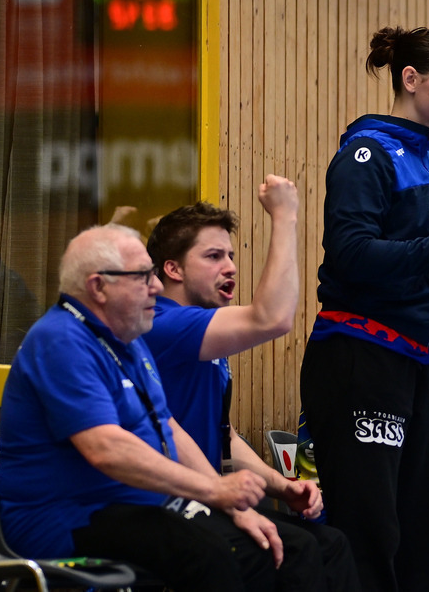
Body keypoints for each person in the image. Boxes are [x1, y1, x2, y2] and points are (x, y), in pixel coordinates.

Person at [0, 224, 328, 590]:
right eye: (142, 276)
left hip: (132, 508)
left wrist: (229, 501)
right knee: (207, 554)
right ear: (98, 287)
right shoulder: (61, 340)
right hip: (68, 518)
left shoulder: (129, 342)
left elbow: (166, 426)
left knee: (275, 549)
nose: (155, 287)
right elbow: (107, 450)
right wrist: (212, 492)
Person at [298, 26, 429, 592]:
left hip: (417, 362)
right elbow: (351, 253)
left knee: (423, 528)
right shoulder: (365, 153)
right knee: (371, 529)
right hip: (361, 354)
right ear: (410, 79)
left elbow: (428, 270)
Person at [142, 184, 358, 590]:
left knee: (331, 544)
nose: (230, 267)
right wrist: (284, 216)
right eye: (213, 256)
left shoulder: (205, 336)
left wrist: (285, 486)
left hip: (206, 496)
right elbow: (272, 319)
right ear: (172, 269)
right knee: (294, 551)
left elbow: (227, 439)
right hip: (163, 501)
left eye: (230, 255)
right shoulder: (163, 324)